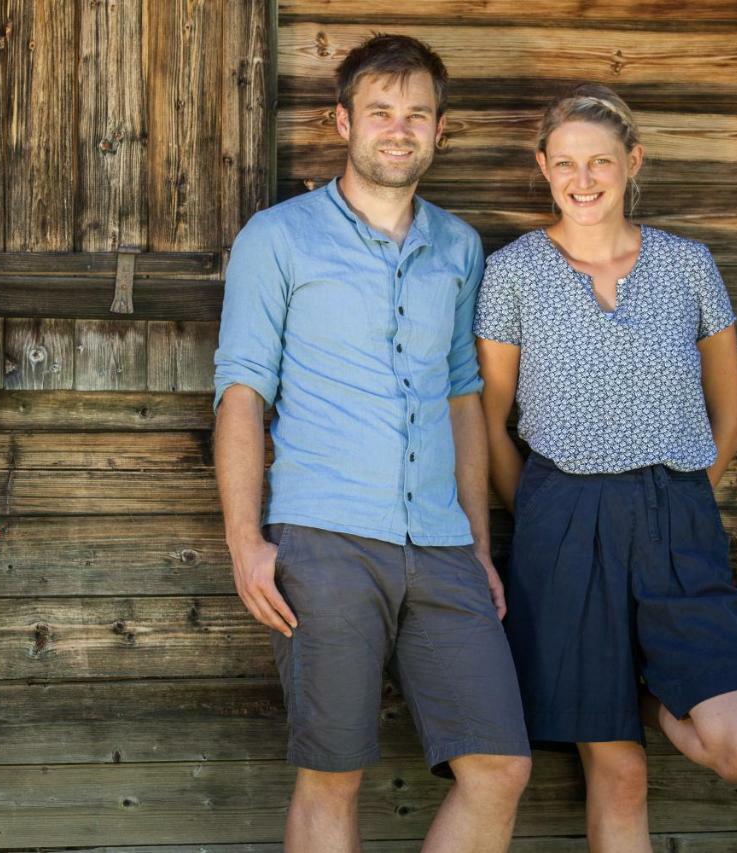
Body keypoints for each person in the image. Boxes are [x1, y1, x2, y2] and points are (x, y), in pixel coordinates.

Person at [213, 34, 531, 853]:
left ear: (439, 130)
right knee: (333, 773)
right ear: (342, 120)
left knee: (499, 766)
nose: (400, 129)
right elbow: (242, 394)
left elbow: (464, 401)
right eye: (381, 111)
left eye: (417, 114)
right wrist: (246, 540)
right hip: (324, 541)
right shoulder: (278, 238)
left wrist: (479, 545)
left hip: (444, 543)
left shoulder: (458, 248)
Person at [473, 83, 737, 853]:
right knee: (620, 778)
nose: (584, 179)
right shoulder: (512, 272)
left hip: (678, 520)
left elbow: (732, 411)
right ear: (543, 166)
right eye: (567, 163)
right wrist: (545, 511)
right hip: (561, 524)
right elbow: (489, 422)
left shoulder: (688, 265)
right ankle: (614, 688)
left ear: (632, 162)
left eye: (602, 161)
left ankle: (643, 687)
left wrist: (681, 496)